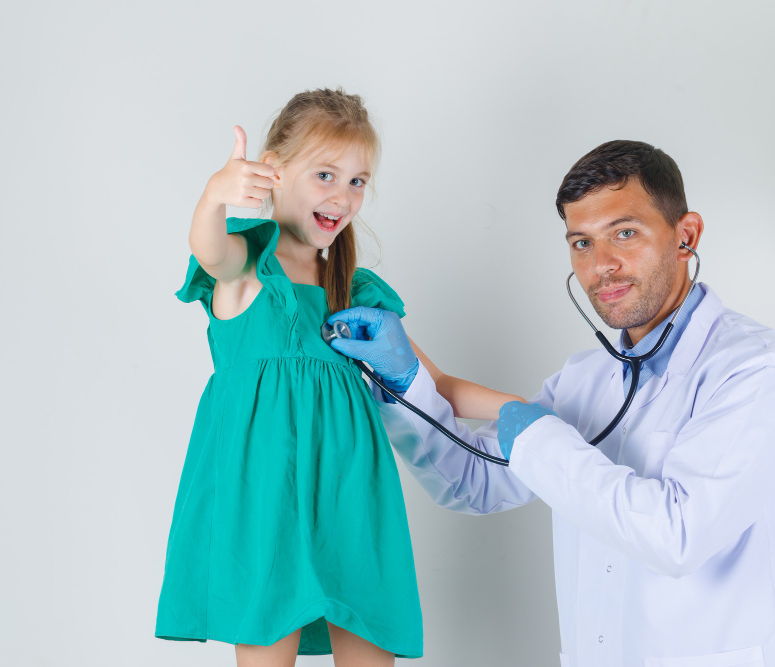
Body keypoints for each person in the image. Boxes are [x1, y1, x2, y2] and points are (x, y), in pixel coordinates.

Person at [328, 140, 775, 666]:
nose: (602, 266)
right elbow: (472, 482)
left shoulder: (758, 370)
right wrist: (404, 384)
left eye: (625, 234)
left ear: (686, 236)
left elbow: (680, 536)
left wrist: (542, 437)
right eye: (581, 243)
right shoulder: (584, 380)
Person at [154, 88, 523, 667]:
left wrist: (525, 409)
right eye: (326, 174)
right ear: (272, 170)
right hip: (263, 496)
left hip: (354, 492)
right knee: (265, 647)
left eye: (357, 181)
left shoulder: (356, 292)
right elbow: (210, 250)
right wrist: (214, 196)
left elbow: (436, 385)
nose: (344, 195)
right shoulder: (248, 268)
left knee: (372, 643)